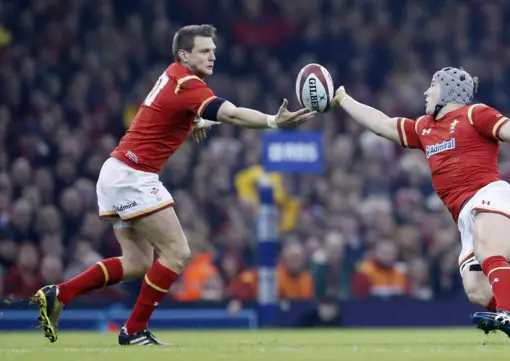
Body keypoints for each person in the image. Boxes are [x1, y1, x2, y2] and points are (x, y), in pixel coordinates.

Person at [32, 24, 315, 346]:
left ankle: (60, 293)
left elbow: (167, 111)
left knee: (138, 263)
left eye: (213, 50)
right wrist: (273, 121)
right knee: (177, 252)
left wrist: (195, 120)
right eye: (205, 51)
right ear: (184, 54)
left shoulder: (173, 76)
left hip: (118, 171)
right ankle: (134, 330)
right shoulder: (188, 84)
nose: (213, 56)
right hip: (132, 176)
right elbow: (232, 115)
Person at [331, 66, 510, 344]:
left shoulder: (475, 113)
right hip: (466, 216)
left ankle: (508, 314)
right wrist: (343, 99)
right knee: (478, 292)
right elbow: (382, 124)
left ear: (448, 90)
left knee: (488, 253)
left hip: (492, 196)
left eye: (432, 86)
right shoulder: (424, 127)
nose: (426, 92)